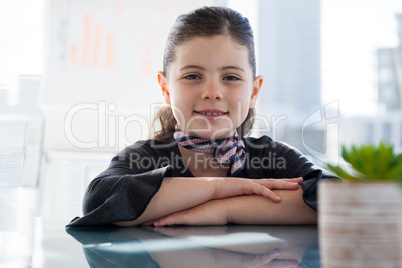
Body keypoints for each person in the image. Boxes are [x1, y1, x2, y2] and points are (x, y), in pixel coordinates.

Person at [67, 6, 338, 228]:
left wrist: (226, 209)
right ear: (166, 89)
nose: (212, 92)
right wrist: (216, 188)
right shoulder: (144, 157)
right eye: (192, 76)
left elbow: (339, 199)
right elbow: (99, 200)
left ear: (254, 91)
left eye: (231, 77)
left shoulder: (272, 156)